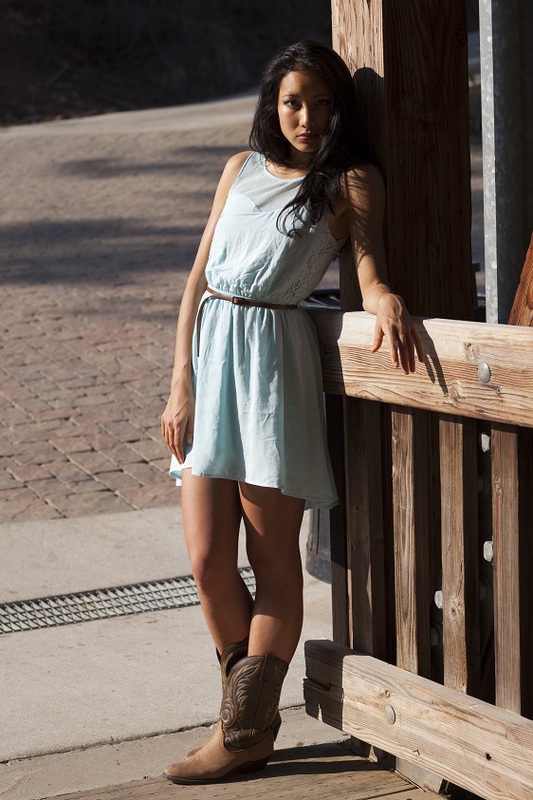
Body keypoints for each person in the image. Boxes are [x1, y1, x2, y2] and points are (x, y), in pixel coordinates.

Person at [160, 39, 423, 785]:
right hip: (212, 363)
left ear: (340, 111)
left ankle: (242, 733)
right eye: (293, 103)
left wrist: (385, 299)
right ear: (272, 106)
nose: (308, 118)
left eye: (323, 104)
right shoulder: (239, 168)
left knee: (270, 559)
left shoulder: (349, 181)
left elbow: (367, 267)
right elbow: (197, 280)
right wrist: (180, 381)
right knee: (207, 560)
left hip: (274, 369)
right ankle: (242, 719)